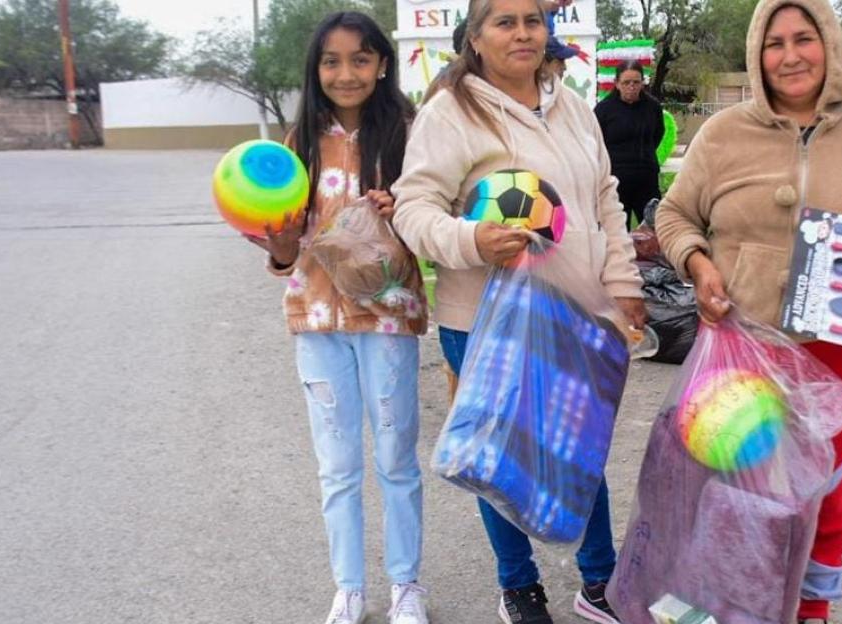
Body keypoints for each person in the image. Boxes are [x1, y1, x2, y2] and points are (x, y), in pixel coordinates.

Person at [656, 1, 842, 621]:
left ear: (830, 43)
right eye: (775, 43)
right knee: (729, 486)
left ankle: (809, 612)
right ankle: (726, 606)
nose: (791, 55)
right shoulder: (722, 134)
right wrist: (699, 264)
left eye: (805, 38)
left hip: (838, 353)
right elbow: (673, 215)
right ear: (756, 53)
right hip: (740, 348)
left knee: (825, 492)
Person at [390, 1, 646, 622]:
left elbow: (605, 199)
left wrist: (624, 281)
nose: (523, 33)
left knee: (579, 451)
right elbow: (412, 207)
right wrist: (470, 240)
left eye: (532, 20)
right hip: (485, 320)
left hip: (577, 314)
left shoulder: (573, 105)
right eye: (504, 22)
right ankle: (518, 585)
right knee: (496, 458)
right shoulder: (450, 113)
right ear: (476, 38)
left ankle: (599, 583)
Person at [244, 12, 429, 624]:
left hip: (388, 321)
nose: (345, 73)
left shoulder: (412, 134)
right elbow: (285, 250)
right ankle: (348, 588)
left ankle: (406, 585)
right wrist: (277, 248)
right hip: (315, 320)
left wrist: (399, 210)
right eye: (331, 61)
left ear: (381, 63)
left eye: (359, 59)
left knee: (396, 460)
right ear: (315, 68)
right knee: (338, 466)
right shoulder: (294, 146)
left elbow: (433, 227)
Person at [595, 60, 665, 230]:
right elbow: (595, 142)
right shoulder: (603, 110)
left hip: (646, 179)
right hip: (616, 181)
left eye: (636, 82)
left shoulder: (653, 107)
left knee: (653, 229)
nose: (632, 87)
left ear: (642, 83)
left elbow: (657, 134)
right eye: (626, 82)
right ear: (617, 84)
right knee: (617, 232)